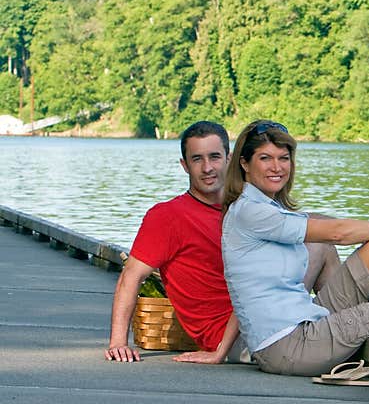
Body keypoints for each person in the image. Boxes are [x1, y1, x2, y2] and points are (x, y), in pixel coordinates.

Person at [222, 120, 369, 378]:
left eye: (284, 158)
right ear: (244, 163)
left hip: (304, 322)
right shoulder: (253, 211)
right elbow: (337, 233)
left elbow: (243, 292)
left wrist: (220, 351)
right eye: (265, 158)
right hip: (291, 346)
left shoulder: (261, 206)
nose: (277, 167)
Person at [104, 120, 342, 364]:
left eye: (215, 157)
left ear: (229, 159)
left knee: (319, 239)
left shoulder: (247, 207)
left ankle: (338, 328)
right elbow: (131, 276)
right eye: (197, 159)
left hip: (268, 313)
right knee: (319, 242)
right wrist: (118, 343)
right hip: (236, 338)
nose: (208, 167)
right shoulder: (168, 216)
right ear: (184, 166)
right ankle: (338, 332)